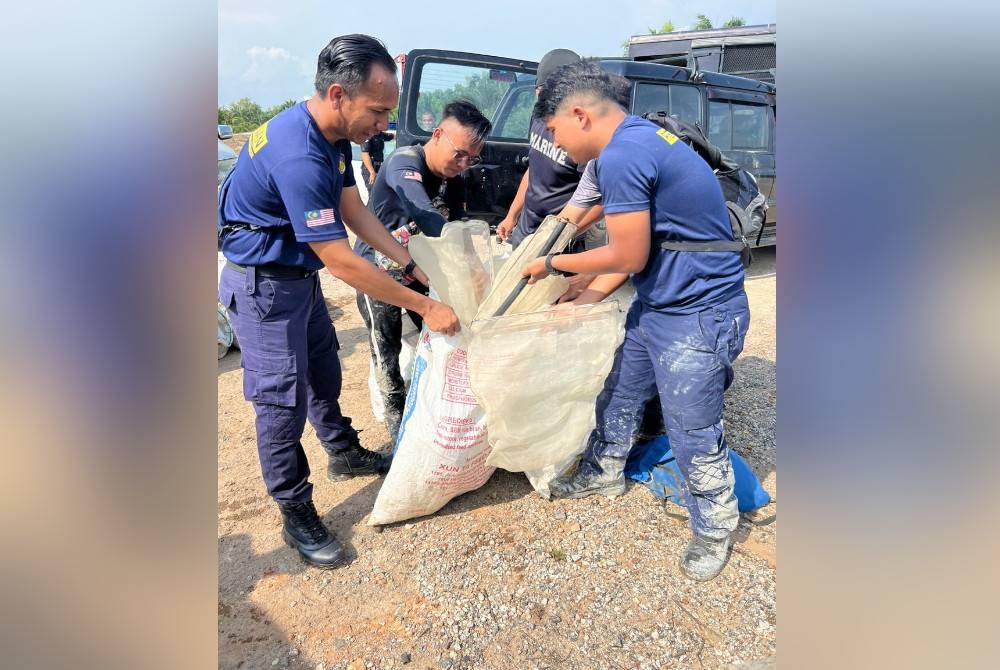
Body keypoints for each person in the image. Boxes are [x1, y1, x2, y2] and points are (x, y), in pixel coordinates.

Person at [218, 34, 460, 569]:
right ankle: (294, 507)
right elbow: (342, 260)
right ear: (337, 94)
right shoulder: (299, 152)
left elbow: (356, 212)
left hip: (296, 280)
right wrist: (424, 306)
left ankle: (342, 453)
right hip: (263, 286)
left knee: (324, 374)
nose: (383, 124)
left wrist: (409, 261)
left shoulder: (331, 138)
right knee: (281, 404)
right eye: (376, 111)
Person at [522, 60, 751, 582]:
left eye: (553, 130)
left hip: (699, 314)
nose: (554, 143)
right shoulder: (638, 140)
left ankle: (715, 525)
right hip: (662, 304)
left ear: (578, 114)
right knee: (621, 390)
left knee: (693, 426)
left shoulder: (624, 153)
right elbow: (633, 252)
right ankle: (603, 473)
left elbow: (626, 253)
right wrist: (582, 293)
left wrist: (555, 266)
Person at [356, 99, 491, 443]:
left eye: (471, 159)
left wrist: (474, 267)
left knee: (430, 344)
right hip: (381, 272)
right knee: (386, 353)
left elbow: (457, 225)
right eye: (459, 153)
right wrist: (458, 261)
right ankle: (397, 431)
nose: (463, 164)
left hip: (422, 272)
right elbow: (424, 212)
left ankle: (428, 416)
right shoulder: (404, 162)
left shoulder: (456, 176)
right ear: (438, 134)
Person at [496, 48, 597, 250]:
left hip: (559, 242)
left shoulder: (583, 137)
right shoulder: (538, 117)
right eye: (540, 92)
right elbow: (534, 169)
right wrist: (512, 216)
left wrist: (556, 237)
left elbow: (597, 202)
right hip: (526, 230)